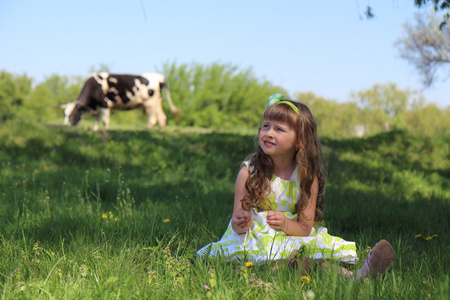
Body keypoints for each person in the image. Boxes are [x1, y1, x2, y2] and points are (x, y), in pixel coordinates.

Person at [196, 94, 395, 280]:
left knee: (306, 254)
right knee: (264, 257)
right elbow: (236, 222)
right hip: (255, 238)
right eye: (266, 126)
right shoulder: (249, 171)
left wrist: (284, 225)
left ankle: (356, 276)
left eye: (279, 129)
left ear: (300, 140)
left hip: (291, 234)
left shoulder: (307, 177)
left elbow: (305, 228)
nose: (269, 133)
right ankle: (288, 268)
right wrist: (240, 222)